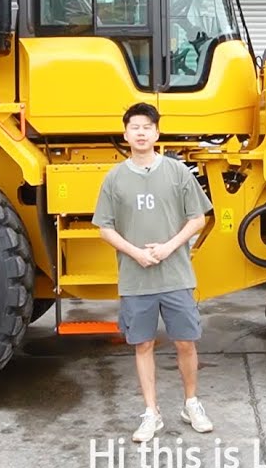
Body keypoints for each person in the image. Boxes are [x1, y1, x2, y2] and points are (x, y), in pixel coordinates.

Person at [92, 102, 215, 443]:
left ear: (157, 133)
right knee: (142, 344)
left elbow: (198, 219)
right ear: (126, 134)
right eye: (135, 127)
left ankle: (191, 403)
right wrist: (135, 253)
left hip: (175, 275)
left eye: (148, 126)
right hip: (136, 278)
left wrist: (168, 247)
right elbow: (104, 227)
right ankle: (151, 413)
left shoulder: (178, 173)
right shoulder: (114, 178)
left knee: (186, 342)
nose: (142, 132)